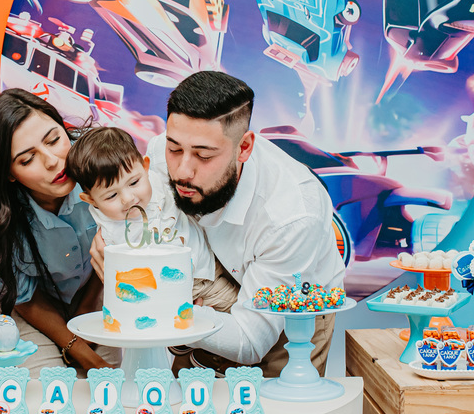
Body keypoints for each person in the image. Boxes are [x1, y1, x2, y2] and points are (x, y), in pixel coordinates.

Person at [92, 71, 345, 376]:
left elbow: (250, 342)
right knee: (184, 401)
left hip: (290, 315)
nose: (182, 171)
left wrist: (157, 305)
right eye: (175, 149)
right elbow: (142, 215)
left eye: (203, 155)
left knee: (275, 404)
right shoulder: (161, 152)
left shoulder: (291, 217)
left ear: (244, 147)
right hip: (202, 290)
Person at [0, 88, 117, 373]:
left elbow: (115, 245)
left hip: (95, 287)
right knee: (45, 386)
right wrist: (83, 353)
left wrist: (83, 318)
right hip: (21, 303)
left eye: (54, 140)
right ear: (8, 173)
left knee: (113, 384)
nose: (52, 160)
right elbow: (25, 299)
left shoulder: (100, 162)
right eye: (27, 159)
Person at [64, 126, 239, 315]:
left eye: (133, 183)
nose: (128, 198)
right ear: (91, 200)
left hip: (209, 265)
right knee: (228, 315)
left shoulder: (159, 179)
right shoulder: (110, 235)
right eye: (111, 195)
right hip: (175, 293)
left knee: (242, 304)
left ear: (145, 167)